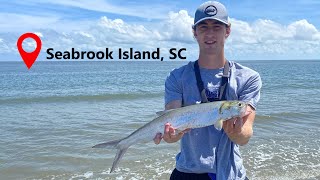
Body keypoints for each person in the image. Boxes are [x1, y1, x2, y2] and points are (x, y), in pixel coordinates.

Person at [153, 1, 262, 180]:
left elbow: (245, 137)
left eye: (217, 26)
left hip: (231, 174)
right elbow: (171, 128)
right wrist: (171, 135)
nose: (210, 33)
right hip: (186, 173)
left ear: (228, 30)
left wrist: (237, 132)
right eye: (203, 27)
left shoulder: (248, 78)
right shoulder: (176, 77)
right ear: (194, 32)